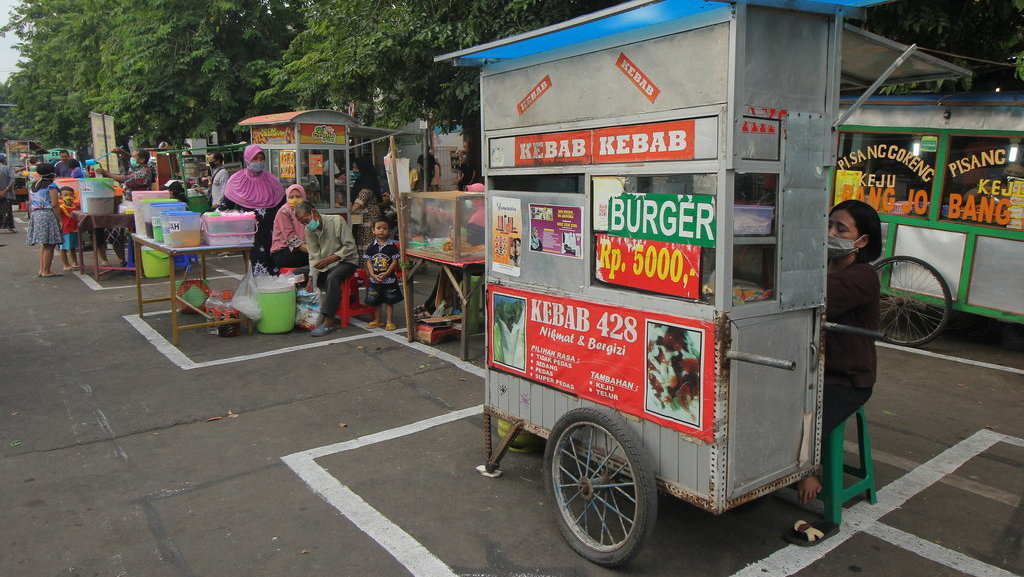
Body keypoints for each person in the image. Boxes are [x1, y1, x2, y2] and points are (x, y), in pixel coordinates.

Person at [789, 199, 881, 545]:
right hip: (813, 370)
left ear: (862, 241)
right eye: (828, 225)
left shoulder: (863, 276)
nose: (830, 233)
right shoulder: (825, 267)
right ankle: (787, 469)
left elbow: (816, 295)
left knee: (811, 416)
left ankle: (815, 474)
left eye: (840, 229)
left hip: (847, 379)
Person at [293, 201, 359, 337]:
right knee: (297, 275)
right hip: (324, 263)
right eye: (303, 223)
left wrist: (331, 259)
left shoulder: (337, 221)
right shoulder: (309, 230)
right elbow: (313, 255)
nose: (306, 225)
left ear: (314, 213)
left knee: (333, 278)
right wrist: (311, 277)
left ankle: (328, 320)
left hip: (346, 261)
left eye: (306, 220)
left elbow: (350, 247)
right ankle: (302, 314)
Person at [220, 144, 286, 275]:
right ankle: (259, 292)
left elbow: (283, 204)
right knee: (256, 266)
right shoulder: (237, 180)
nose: (259, 162)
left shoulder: (272, 180)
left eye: (262, 158)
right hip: (250, 234)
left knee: (274, 265)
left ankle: (274, 293)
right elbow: (225, 206)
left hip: (272, 232)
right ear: (247, 160)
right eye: (255, 158)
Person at [95, 148, 155, 266]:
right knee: (115, 231)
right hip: (130, 204)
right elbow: (130, 162)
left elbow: (125, 179)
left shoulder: (145, 171)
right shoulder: (138, 167)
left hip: (139, 206)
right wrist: (123, 153)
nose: (132, 159)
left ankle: (139, 262)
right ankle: (123, 259)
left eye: (134, 157)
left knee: (127, 231)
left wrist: (106, 173)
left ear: (142, 160)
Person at [24, 163, 64, 277]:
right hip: (47, 215)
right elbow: (55, 205)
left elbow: (31, 202)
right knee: (50, 245)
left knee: (44, 244)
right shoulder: (51, 186)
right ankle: (47, 271)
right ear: (52, 173)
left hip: (36, 214)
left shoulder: (34, 185)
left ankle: (42, 270)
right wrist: (60, 220)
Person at [363, 219, 403, 330]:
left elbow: (395, 262)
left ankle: (389, 321)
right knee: (376, 300)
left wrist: (386, 274)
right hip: (374, 280)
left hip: (389, 279)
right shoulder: (371, 247)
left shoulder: (392, 247)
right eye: (378, 228)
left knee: (389, 301)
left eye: (384, 228)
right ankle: (377, 319)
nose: (381, 231)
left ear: (389, 231)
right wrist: (372, 274)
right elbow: (369, 261)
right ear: (373, 230)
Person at [349, 157, 384, 255]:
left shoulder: (367, 185)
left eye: (357, 168)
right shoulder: (359, 183)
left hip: (369, 220)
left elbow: (357, 204)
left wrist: (346, 212)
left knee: (367, 247)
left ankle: (369, 270)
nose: (354, 171)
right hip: (361, 220)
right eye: (353, 168)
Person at [271, 184, 309, 269]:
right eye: (291, 197)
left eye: (298, 196)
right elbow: (291, 239)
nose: (295, 199)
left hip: (301, 249)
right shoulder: (284, 212)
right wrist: (310, 250)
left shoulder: (307, 210)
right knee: (315, 259)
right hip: (283, 251)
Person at [57, 186, 80, 272]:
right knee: (63, 248)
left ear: (74, 196)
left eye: (70, 195)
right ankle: (66, 264)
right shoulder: (61, 207)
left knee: (72, 247)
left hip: (74, 230)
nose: (68, 197)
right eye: (65, 195)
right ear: (60, 197)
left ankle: (75, 262)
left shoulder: (75, 206)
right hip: (65, 230)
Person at [0, 153, 16, 233]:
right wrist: (5, 190)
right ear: (3, 160)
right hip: (7, 193)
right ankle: (9, 228)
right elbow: (12, 180)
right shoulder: (7, 168)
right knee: (7, 210)